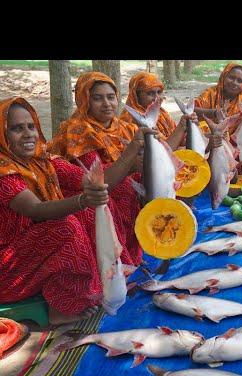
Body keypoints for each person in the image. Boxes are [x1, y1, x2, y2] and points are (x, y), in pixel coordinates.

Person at [0, 98, 146, 325]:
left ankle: (104, 282)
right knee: (66, 226)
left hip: (31, 251)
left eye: (31, 127)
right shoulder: (4, 173)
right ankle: (62, 308)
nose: (28, 134)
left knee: (87, 214)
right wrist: (82, 200)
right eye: (17, 129)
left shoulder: (43, 162)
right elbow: (36, 210)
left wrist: (133, 148)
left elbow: (101, 180)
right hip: (8, 269)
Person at [48, 72, 144, 264]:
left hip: (113, 185)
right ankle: (116, 261)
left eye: (111, 97)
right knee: (125, 188)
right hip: (84, 192)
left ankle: (133, 252)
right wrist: (133, 156)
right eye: (97, 98)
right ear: (85, 101)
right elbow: (99, 179)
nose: (107, 103)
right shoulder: (78, 129)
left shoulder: (124, 127)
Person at [120, 71, 197, 149]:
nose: (157, 98)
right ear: (136, 96)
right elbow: (161, 152)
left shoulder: (162, 113)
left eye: (159, 92)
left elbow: (180, 141)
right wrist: (181, 126)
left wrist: (188, 126)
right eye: (150, 93)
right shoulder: (128, 120)